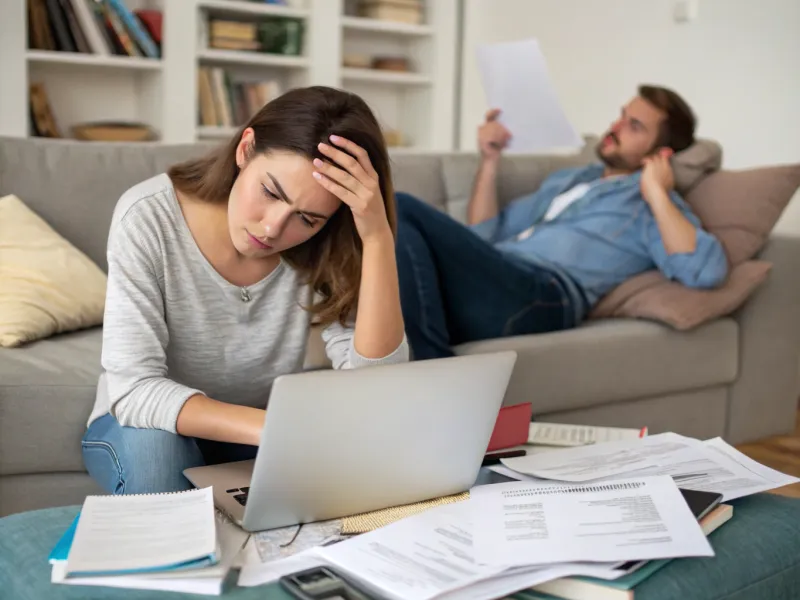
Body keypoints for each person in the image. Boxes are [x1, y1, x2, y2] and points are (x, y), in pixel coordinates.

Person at [82, 86, 409, 495]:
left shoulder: (325, 245)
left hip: (258, 432)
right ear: (245, 148)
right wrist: (279, 429)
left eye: (306, 219)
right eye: (271, 192)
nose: (273, 229)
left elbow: (376, 390)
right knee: (157, 457)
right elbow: (134, 391)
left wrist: (377, 237)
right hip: (150, 425)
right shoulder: (148, 216)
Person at [395, 85, 728, 360]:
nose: (615, 126)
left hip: (544, 293)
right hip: (501, 277)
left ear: (662, 153)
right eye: (622, 116)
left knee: (398, 205)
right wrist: (490, 160)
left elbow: (704, 271)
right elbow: (484, 233)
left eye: (634, 126)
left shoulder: (648, 207)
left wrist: (657, 192)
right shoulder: (572, 179)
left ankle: (433, 369)